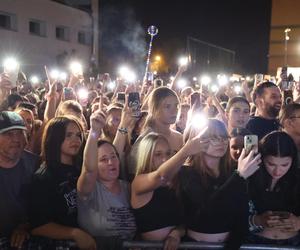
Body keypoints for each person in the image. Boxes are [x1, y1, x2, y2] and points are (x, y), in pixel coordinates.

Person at [177, 118, 261, 249]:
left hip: (229, 244)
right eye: (213, 137)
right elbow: (207, 211)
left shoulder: (232, 172)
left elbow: (241, 216)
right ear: (196, 140)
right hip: (195, 245)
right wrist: (239, 176)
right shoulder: (187, 172)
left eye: (223, 137)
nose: (221, 142)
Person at [29, 116, 96, 249]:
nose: (75, 140)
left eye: (78, 135)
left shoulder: (82, 168)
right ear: (54, 138)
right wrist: (74, 233)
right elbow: (38, 225)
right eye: (68, 135)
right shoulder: (43, 177)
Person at [131, 132, 204, 249]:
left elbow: (184, 223)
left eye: (168, 153)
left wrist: (176, 233)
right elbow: (160, 176)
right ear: (147, 156)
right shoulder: (138, 182)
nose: (165, 159)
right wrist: (186, 151)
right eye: (158, 154)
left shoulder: (176, 182)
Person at [77, 108, 136, 250]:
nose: (111, 162)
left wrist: (124, 124)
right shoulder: (88, 190)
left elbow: (115, 149)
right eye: (103, 159)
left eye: (113, 157)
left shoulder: (129, 188)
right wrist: (94, 131)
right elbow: (89, 169)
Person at [247, 131, 300, 246]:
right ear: (261, 159)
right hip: (255, 242)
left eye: (285, 165)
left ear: (293, 160)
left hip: (293, 242)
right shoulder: (250, 178)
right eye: (271, 164)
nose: (277, 171)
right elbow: (232, 215)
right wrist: (258, 220)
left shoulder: (297, 179)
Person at [0, 111, 38, 249]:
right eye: (9, 134)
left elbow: (41, 207)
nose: (16, 139)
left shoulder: (35, 164)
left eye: (20, 133)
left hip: (27, 237)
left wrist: (25, 226)